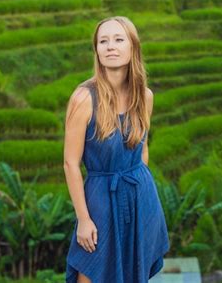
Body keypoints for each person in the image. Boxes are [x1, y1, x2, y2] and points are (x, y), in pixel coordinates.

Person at [63, 16, 170, 283]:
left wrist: (140, 193)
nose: (110, 46)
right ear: (97, 50)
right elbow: (70, 164)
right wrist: (83, 219)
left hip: (140, 198)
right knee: (89, 272)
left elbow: (143, 148)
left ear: (133, 47)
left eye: (118, 39)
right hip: (100, 200)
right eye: (103, 41)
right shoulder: (83, 98)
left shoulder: (144, 96)